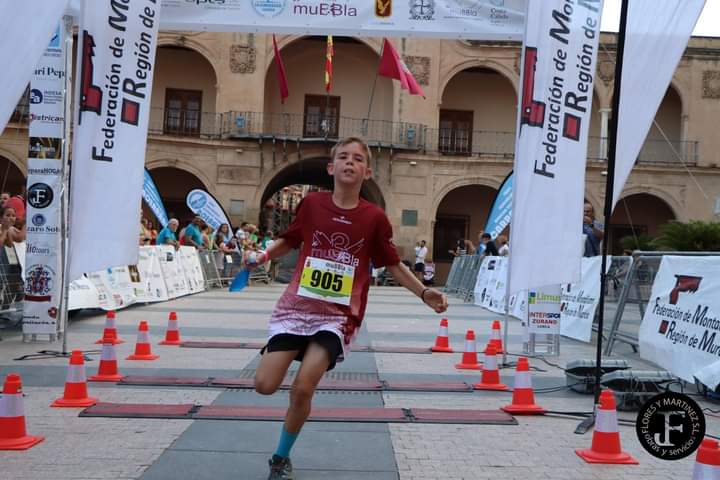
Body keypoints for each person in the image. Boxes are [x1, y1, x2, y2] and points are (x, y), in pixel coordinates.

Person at [244, 137, 448, 480]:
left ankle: (280, 458)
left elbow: (393, 263)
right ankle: (289, 350)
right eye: (343, 157)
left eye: (357, 159)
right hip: (297, 308)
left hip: (338, 316)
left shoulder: (374, 218)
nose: (349, 162)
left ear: (367, 172)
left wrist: (423, 292)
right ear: (331, 167)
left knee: (303, 387)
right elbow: (291, 239)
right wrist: (263, 255)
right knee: (264, 384)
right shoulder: (311, 204)